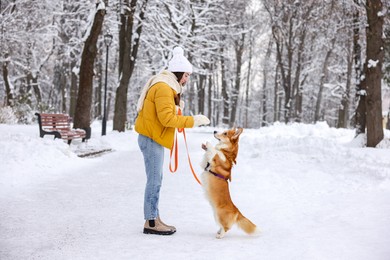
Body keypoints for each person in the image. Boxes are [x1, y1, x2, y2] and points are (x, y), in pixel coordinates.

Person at [135, 46, 210, 235]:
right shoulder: (163, 87)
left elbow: (163, 114)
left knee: (156, 179)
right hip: (151, 139)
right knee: (154, 180)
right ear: (177, 73)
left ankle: (154, 217)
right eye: (186, 75)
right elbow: (166, 119)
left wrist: (176, 107)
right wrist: (194, 120)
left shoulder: (165, 86)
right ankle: (151, 222)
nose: (187, 79)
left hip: (153, 138)